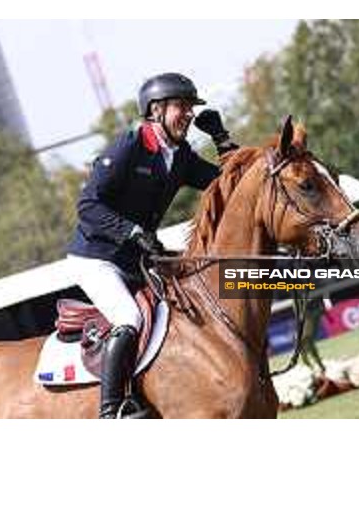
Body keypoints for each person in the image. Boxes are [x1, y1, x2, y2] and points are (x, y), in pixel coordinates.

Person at [66, 72, 238, 418]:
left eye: (192, 107)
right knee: (129, 317)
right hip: (97, 258)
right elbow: (87, 207)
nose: (189, 114)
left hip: (137, 259)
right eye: (181, 107)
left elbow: (230, 185)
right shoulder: (128, 146)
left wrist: (222, 140)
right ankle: (112, 409)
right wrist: (131, 231)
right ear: (155, 110)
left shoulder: (181, 154)